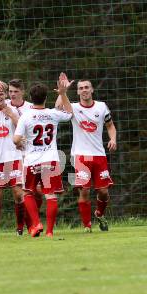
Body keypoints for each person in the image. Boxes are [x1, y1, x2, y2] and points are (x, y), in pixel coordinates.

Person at [13, 76, 73, 237]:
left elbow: (16, 139)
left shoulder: (26, 116)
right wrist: (63, 93)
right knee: (50, 195)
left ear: (30, 99)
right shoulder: (53, 114)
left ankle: (36, 223)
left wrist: (20, 143)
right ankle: (50, 232)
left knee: (27, 193)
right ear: (46, 98)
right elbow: (69, 113)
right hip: (51, 159)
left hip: (32, 160)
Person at [56, 77, 117, 232]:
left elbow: (110, 126)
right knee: (84, 190)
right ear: (77, 92)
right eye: (81, 88)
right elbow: (58, 107)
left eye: (86, 87)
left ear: (92, 90)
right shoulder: (74, 108)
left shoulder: (102, 107)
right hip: (81, 156)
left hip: (99, 155)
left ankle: (99, 213)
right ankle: (87, 225)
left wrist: (113, 139)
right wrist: (63, 91)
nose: (84, 90)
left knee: (103, 192)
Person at [0, 83, 27, 237]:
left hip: (14, 157)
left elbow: (22, 127)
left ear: (5, 96)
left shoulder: (13, 109)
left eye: (1, 94)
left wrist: (11, 114)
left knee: (18, 194)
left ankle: (20, 229)